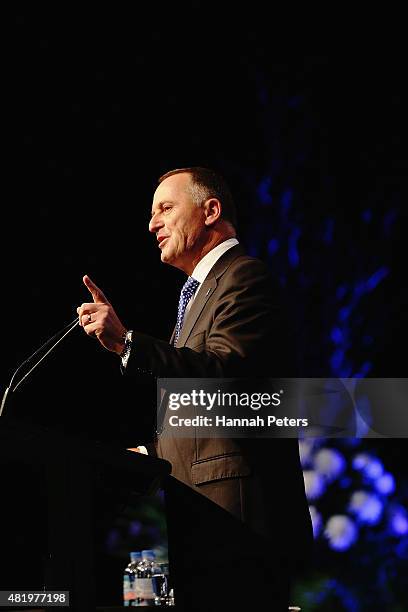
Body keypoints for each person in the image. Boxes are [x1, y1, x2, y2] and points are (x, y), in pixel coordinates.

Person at [77, 167, 312, 611]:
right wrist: (150, 454)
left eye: (165, 208)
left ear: (211, 211)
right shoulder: (200, 293)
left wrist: (129, 343)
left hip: (238, 523)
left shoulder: (244, 277)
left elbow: (224, 377)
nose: (152, 224)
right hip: (207, 524)